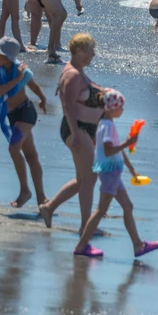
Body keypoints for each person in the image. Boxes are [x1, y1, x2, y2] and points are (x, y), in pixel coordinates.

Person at [72, 89, 158, 258]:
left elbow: (116, 151)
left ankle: (138, 245)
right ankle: (81, 245)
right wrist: (127, 142)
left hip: (113, 171)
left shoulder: (108, 124)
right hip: (110, 172)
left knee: (128, 206)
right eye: (121, 106)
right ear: (111, 108)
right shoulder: (107, 126)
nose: (123, 110)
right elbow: (108, 150)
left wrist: (131, 169)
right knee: (100, 210)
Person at [38, 33, 106, 232]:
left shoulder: (79, 71)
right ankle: (86, 226)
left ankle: (49, 208)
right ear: (77, 51)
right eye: (90, 50)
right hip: (76, 128)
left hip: (84, 129)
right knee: (89, 178)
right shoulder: (72, 74)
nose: (93, 54)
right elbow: (67, 106)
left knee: (82, 179)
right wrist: (76, 133)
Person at [0, 37, 49, 209]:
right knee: (31, 156)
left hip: (26, 112)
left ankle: (25, 191)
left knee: (14, 149)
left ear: (9, 57)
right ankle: (42, 198)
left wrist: (42, 98)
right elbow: (0, 91)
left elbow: (33, 85)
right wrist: (17, 78)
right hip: (12, 115)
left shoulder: (21, 70)